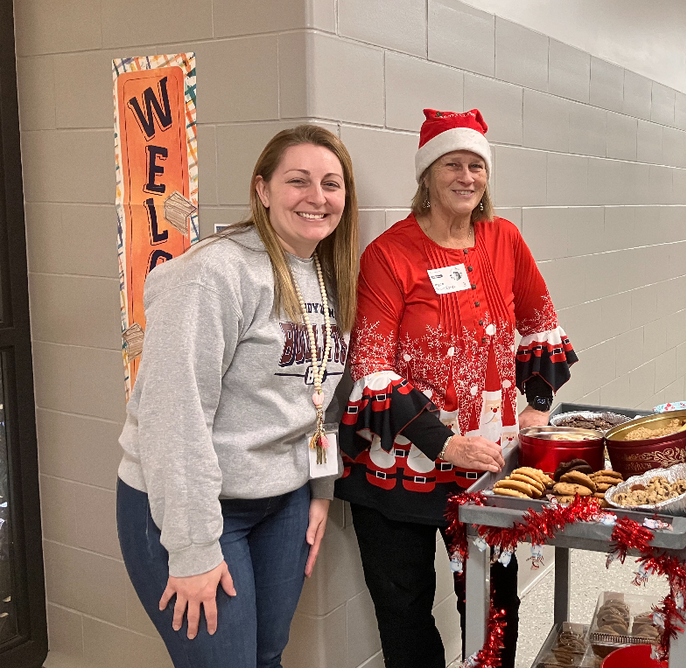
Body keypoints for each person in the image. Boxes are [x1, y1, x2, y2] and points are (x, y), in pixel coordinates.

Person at [335, 108, 577, 668]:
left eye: (477, 165)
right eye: (452, 164)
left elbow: (541, 321)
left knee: (494, 607)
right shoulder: (388, 255)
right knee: (406, 610)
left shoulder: (505, 239)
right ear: (426, 175)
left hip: (486, 465)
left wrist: (537, 405)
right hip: (399, 471)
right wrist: (443, 443)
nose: (466, 176)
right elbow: (370, 365)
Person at [116, 125, 359, 668]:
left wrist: (320, 488)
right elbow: (173, 420)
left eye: (331, 183)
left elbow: (319, 397)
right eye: (298, 181)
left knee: (268, 655)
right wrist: (193, 548)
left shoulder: (326, 271)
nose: (317, 197)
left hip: (285, 500)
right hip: (197, 508)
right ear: (262, 189)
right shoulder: (212, 274)